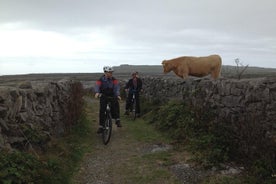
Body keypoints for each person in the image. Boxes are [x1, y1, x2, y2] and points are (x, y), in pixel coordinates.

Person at [94, 66, 122, 134]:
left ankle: (117, 120)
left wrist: (117, 95)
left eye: (111, 72)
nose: (111, 74)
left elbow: (116, 87)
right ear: (105, 73)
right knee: (102, 110)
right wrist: (97, 92)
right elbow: (97, 86)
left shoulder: (114, 80)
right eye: (109, 72)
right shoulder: (100, 80)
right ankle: (101, 126)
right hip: (103, 95)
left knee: (115, 105)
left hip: (112, 95)